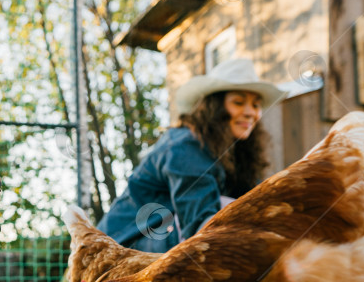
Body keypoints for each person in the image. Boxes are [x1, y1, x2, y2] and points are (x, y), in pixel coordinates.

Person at [97, 57, 286, 252]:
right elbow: (203, 228)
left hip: (159, 240)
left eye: (256, 105)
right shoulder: (185, 146)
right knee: (228, 218)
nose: (250, 112)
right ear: (215, 107)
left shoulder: (235, 153)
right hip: (121, 248)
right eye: (238, 102)